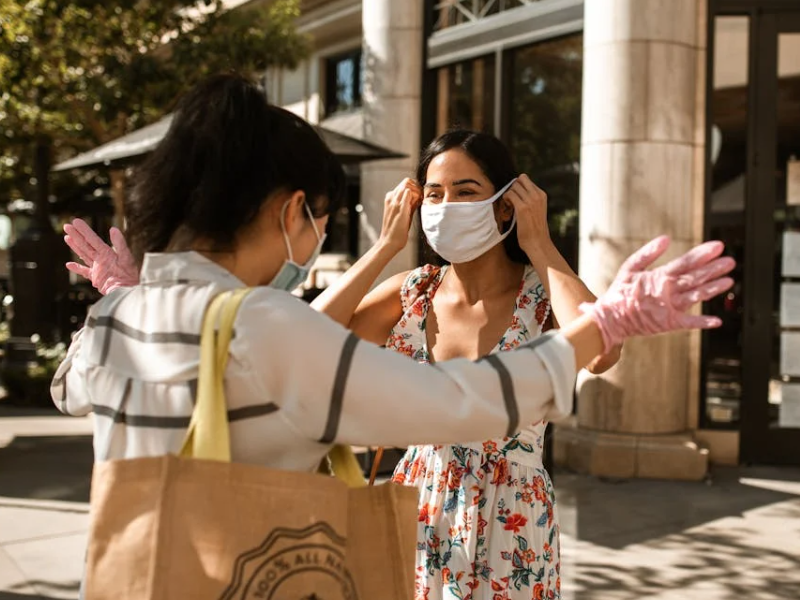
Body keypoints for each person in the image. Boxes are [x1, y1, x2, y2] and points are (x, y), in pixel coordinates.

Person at [58, 74, 734, 597]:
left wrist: (135, 297)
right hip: (262, 566)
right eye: (320, 215)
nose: (443, 209)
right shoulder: (269, 324)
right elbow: (453, 401)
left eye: (464, 192)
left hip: (141, 575)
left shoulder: (115, 323)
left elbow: (73, 390)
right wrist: (607, 322)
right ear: (293, 209)